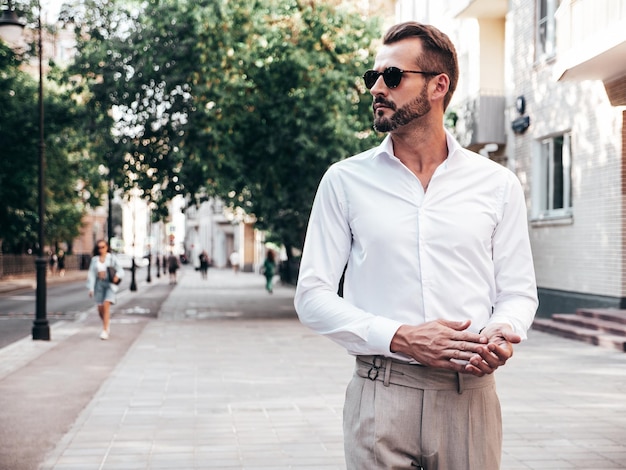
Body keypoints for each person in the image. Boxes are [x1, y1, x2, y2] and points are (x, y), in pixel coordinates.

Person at [294, 21, 538, 470]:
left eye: (392, 77)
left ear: (438, 86)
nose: (376, 89)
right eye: (373, 77)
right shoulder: (345, 180)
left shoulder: (496, 184)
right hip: (380, 393)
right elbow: (311, 296)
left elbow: (518, 290)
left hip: (469, 398)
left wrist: (501, 331)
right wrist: (402, 337)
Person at [86, 240, 124, 340]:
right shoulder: (95, 260)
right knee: (100, 308)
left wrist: (117, 275)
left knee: (106, 304)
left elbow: (120, 269)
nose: (101, 249)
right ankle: (106, 322)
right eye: (99, 247)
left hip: (109, 284)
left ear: (107, 247)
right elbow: (91, 274)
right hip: (99, 284)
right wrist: (91, 288)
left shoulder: (111, 258)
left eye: (103, 247)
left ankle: (105, 330)